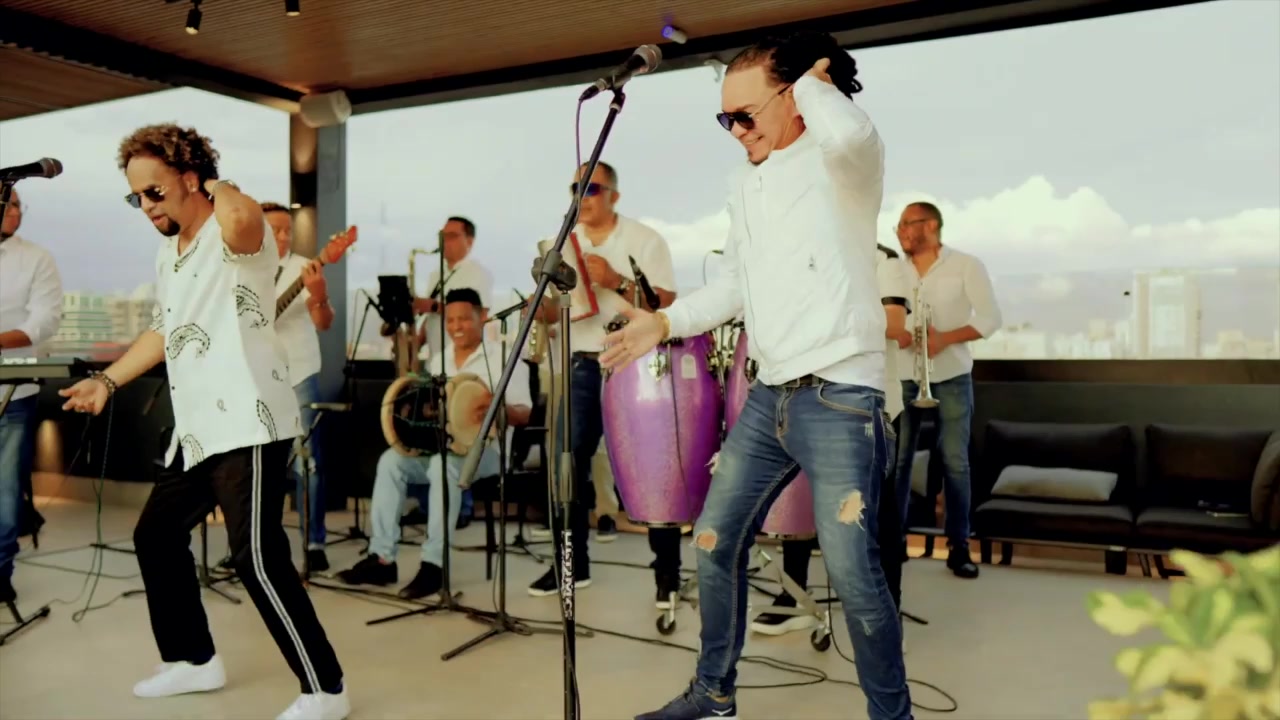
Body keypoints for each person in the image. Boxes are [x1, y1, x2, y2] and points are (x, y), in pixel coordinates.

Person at [600, 32, 912, 720]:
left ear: (797, 97)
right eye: (725, 119)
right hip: (771, 396)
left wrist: (815, 85)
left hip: (841, 396)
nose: (736, 131)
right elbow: (734, 285)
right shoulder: (745, 182)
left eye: (746, 115)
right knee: (714, 541)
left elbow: (853, 135)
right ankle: (714, 693)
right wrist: (664, 321)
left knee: (855, 575)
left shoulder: (843, 164)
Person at [59, 124, 348, 720]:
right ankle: (193, 660)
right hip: (196, 430)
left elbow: (240, 213)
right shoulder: (169, 253)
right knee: (156, 536)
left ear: (192, 180)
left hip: (250, 421)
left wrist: (214, 180)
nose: (146, 206)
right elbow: (163, 330)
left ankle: (326, 690)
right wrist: (107, 381)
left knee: (256, 558)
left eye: (155, 192)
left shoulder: (237, 234)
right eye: (136, 197)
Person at [525, 161, 685, 607]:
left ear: (614, 195)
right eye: (575, 188)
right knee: (566, 463)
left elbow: (665, 305)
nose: (583, 196)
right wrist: (538, 303)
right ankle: (570, 566)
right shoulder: (564, 244)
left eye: (592, 188)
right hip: (581, 361)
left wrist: (614, 281)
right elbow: (553, 313)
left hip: (634, 361)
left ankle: (667, 573)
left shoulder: (644, 239)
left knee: (651, 462)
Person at [751, 242, 912, 636]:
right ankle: (795, 597)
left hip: (868, 406)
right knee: (799, 498)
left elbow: (894, 324)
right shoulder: (803, 256)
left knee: (877, 517)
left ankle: (887, 617)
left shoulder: (884, 261)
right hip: (806, 398)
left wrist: (824, 317)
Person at [335, 288, 532, 599]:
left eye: (464, 319)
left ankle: (434, 566)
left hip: (488, 453)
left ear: (482, 317)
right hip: (442, 447)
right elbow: (429, 405)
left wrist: (497, 407)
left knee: (444, 465)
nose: (456, 326)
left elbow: (525, 413)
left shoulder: (505, 358)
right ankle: (382, 558)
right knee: (391, 462)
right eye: (450, 320)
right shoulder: (440, 359)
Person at [892, 201, 1001, 580]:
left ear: (931, 225)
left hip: (952, 374)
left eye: (908, 223)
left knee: (955, 462)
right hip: (903, 374)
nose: (901, 231)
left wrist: (943, 339)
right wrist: (899, 332)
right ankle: (893, 542)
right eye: (898, 225)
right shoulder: (892, 269)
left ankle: (959, 547)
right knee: (897, 462)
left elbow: (990, 318)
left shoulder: (967, 265)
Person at [263, 202, 337, 573]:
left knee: (308, 464)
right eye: (274, 230)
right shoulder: (240, 270)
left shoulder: (305, 267)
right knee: (259, 467)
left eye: (287, 230)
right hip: (258, 378)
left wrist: (319, 295)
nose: (283, 237)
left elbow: (324, 322)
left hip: (299, 375)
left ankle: (314, 543)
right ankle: (257, 544)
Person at [0, 188, 64, 606]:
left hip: (13, 395)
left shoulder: (37, 258)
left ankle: (0, 572)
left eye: (18, 203)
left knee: (5, 491)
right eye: (7, 202)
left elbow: (44, 321)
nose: (15, 209)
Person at [414, 216, 494, 359]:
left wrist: (434, 306)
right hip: (435, 359)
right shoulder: (436, 274)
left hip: (466, 361)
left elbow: (481, 315)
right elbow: (432, 318)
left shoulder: (478, 273)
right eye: (442, 236)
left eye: (452, 236)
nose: (444, 241)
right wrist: (415, 343)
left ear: (469, 241)